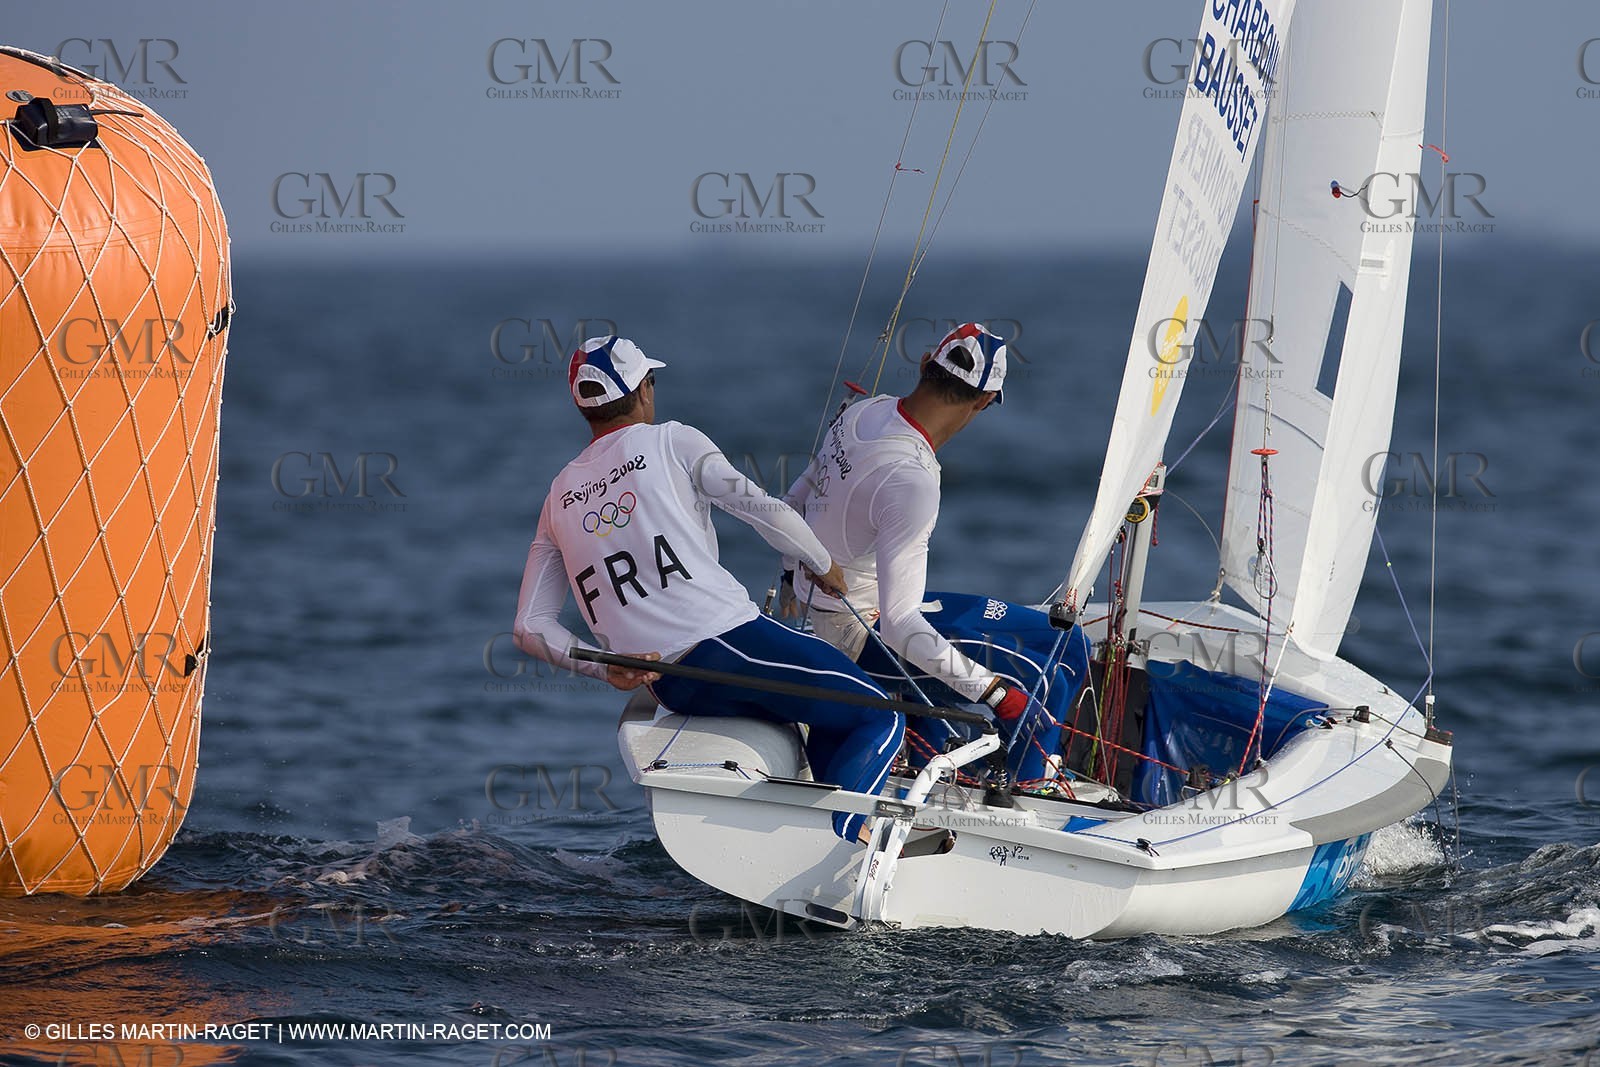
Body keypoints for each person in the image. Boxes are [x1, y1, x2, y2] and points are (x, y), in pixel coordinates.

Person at [513, 335, 904, 842]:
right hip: (726, 647)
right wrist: (822, 562)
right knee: (880, 717)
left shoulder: (557, 497)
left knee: (829, 717)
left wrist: (601, 665)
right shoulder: (673, 440)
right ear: (644, 389)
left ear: (582, 406)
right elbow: (762, 508)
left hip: (668, 684)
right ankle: (850, 839)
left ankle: (826, 831)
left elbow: (528, 627)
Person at [780, 323, 1089, 787]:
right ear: (985, 402)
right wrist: (995, 693)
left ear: (927, 363)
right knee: (1044, 685)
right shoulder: (915, 480)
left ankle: (1008, 760)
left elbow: (793, 502)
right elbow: (903, 629)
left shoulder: (864, 410)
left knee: (1067, 640)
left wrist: (789, 576)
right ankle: (1027, 799)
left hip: (860, 610)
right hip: (860, 633)